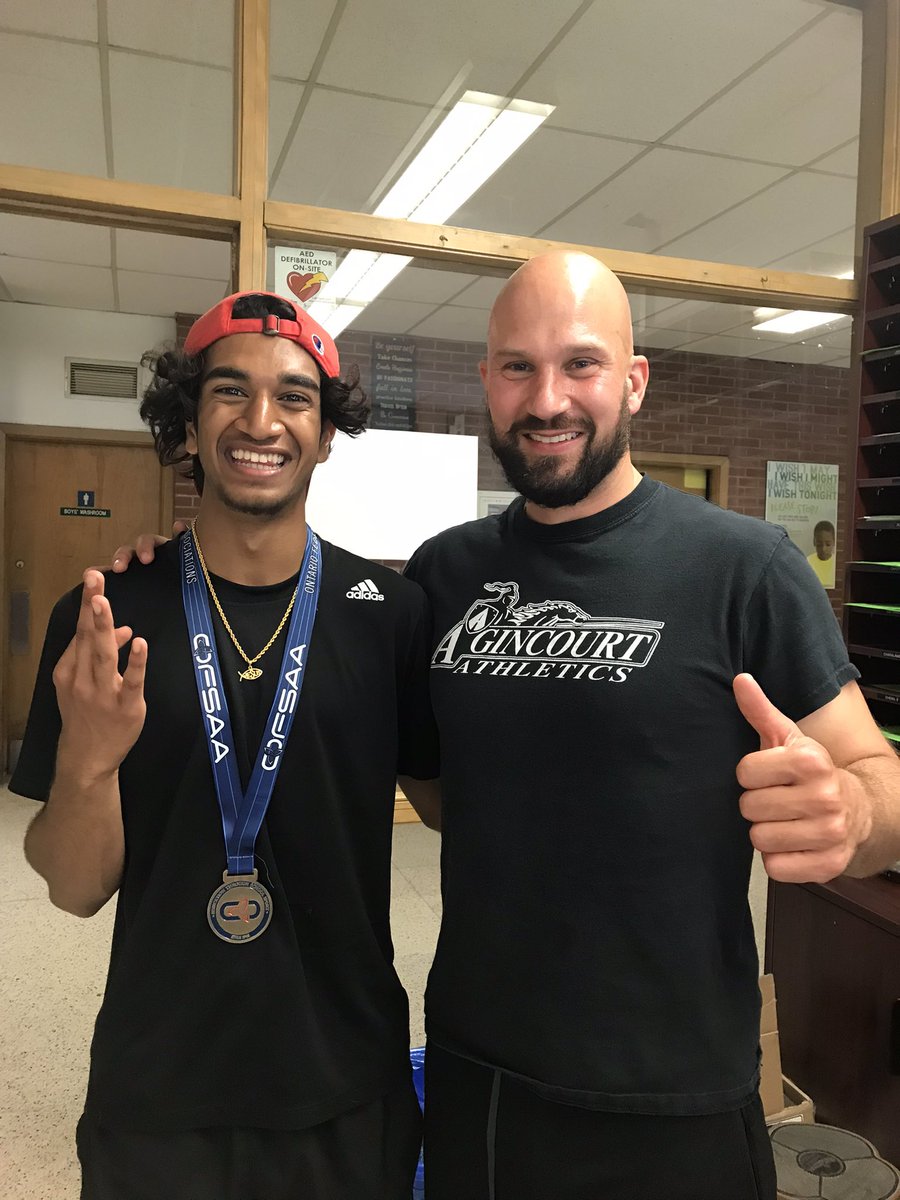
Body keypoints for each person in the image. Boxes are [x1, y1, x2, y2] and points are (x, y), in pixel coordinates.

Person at [116, 255, 900, 1200]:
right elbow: (440, 785)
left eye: (582, 365)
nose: (548, 398)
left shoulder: (745, 568)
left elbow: (875, 778)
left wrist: (852, 814)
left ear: (634, 382)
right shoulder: (446, 574)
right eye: (519, 367)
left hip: (675, 1092)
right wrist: (171, 570)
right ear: (488, 381)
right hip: (476, 1076)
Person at [11, 291, 439, 1200]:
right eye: (228, 392)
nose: (261, 421)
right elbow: (75, 888)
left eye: (294, 397)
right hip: (160, 1091)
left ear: (326, 434)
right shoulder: (107, 616)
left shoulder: (390, 620)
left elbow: (466, 814)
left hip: (347, 1087)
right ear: (188, 421)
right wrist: (88, 759)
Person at [807, 518, 836, 588]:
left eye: (828, 544)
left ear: (834, 542)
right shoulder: (808, 562)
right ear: (814, 542)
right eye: (819, 545)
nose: (823, 549)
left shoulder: (837, 563)